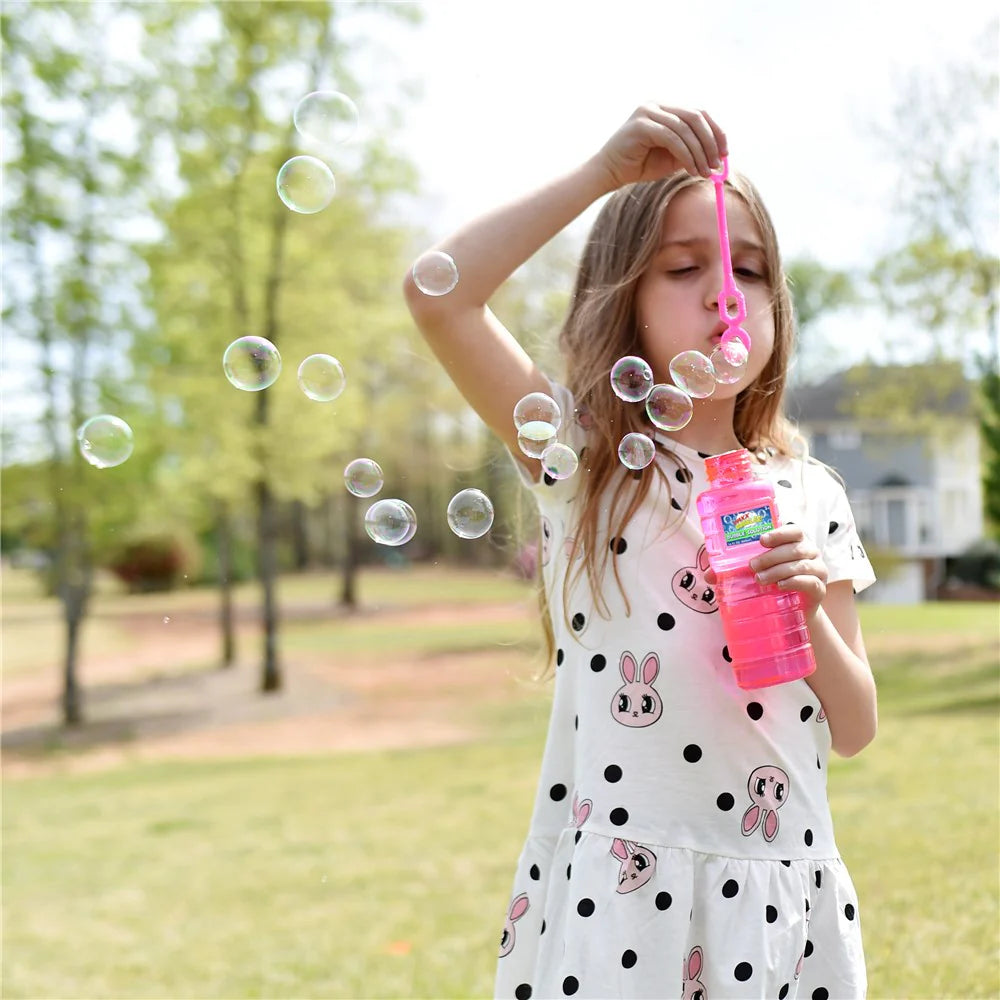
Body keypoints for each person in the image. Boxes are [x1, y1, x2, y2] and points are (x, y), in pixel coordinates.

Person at [403, 104, 878, 1000]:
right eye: (685, 267)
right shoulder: (588, 467)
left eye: (751, 269)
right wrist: (599, 176)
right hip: (625, 898)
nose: (724, 295)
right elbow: (439, 295)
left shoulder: (813, 493)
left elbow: (855, 730)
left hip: (780, 888)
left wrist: (809, 609)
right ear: (623, 294)